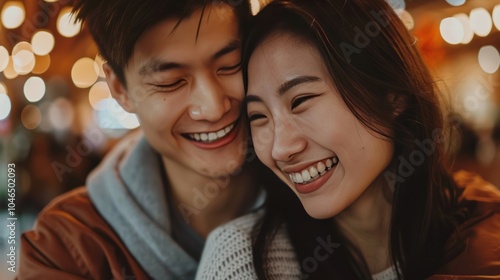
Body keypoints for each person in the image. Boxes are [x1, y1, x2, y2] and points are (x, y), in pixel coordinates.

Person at [196, 0, 500, 279]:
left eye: (301, 100)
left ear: (392, 95)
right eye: (258, 117)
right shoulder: (240, 263)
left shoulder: (484, 231)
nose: (281, 148)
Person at [16, 0, 279, 279]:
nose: (213, 107)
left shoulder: (315, 197)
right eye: (171, 82)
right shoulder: (64, 249)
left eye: (229, 65)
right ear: (120, 89)